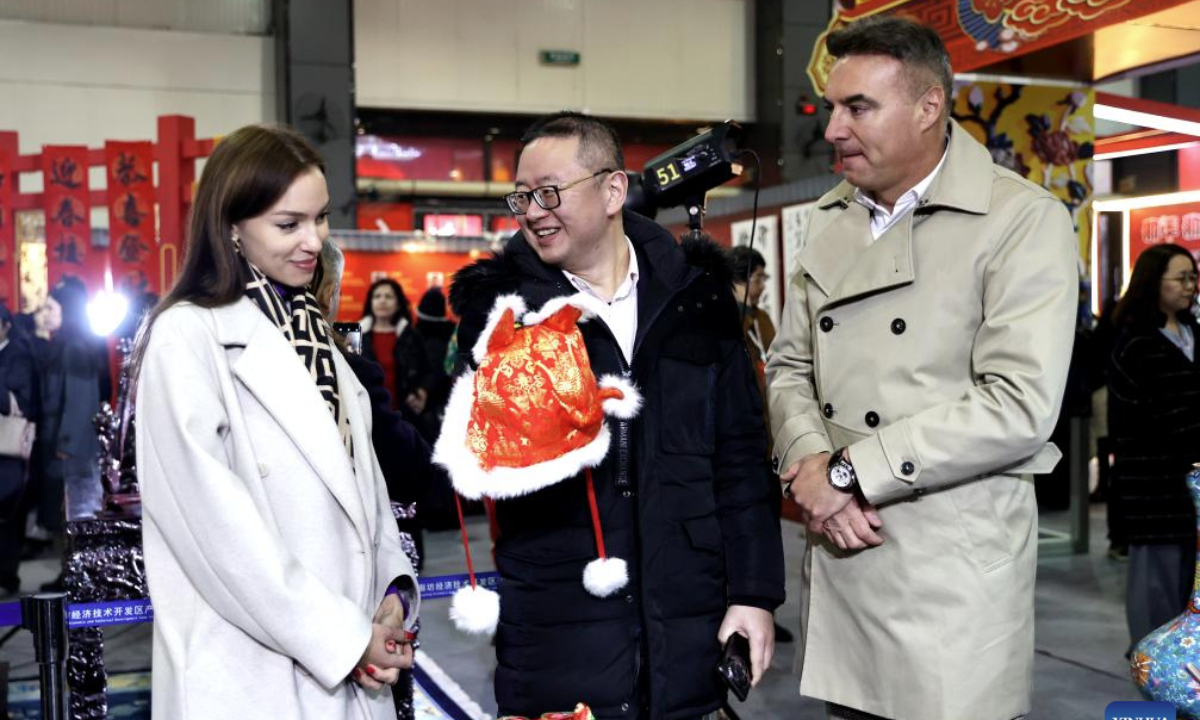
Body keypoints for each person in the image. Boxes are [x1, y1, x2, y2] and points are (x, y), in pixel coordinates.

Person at [765, 16, 1076, 720]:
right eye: (831, 108)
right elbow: (789, 367)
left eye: (858, 107)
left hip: (948, 572)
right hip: (846, 548)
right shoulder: (830, 217)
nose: (834, 129)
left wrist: (849, 474)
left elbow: (1018, 405)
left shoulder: (1020, 220)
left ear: (929, 106)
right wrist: (812, 466)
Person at [448, 111, 784, 720]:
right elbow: (470, 461)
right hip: (557, 628)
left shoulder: (697, 300)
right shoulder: (503, 314)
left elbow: (739, 457)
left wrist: (755, 593)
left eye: (550, 192)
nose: (532, 211)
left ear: (612, 191)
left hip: (687, 621)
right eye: (521, 196)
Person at [133, 124, 418, 720]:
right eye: (288, 225)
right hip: (249, 675)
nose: (313, 241)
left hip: (348, 668)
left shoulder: (315, 333)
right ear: (231, 227)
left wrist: (393, 596)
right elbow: (217, 533)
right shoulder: (188, 336)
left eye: (319, 218)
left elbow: (366, 495)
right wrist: (343, 637)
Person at [1106, 244, 1200, 650]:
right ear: (1153, 281)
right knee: (1157, 602)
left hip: (1191, 493)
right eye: (1181, 278)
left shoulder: (1193, 332)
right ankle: (1155, 693)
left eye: (1193, 278)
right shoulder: (1135, 343)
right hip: (1156, 494)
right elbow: (1168, 416)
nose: (1190, 286)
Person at [0, 302, 37, 597]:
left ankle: (7, 577)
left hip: (8, 451)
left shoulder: (19, 357)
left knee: (7, 516)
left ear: (6, 325)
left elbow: (25, 405)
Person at [360, 278, 433, 423]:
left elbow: (428, 372)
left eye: (389, 296)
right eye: (377, 296)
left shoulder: (411, 335)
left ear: (398, 304)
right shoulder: (358, 336)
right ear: (370, 302)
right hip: (367, 414)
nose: (382, 301)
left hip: (404, 415)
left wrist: (422, 392)